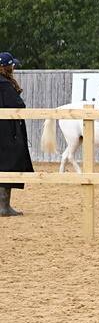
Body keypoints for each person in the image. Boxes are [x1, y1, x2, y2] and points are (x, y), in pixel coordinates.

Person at [0, 52, 35, 216]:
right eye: (12, 64)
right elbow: (16, 104)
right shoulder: (5, 85)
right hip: (7, 129)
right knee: (9, 164)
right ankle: (4, 206)